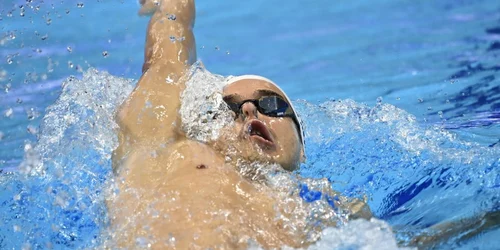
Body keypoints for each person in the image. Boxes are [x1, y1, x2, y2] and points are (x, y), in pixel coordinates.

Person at [105, 0, 371, 248]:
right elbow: (164, 62)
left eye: (272, 105)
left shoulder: (326, 211)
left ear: (302, 148)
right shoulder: (166, 149)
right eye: (226, 110)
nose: (248, 109)